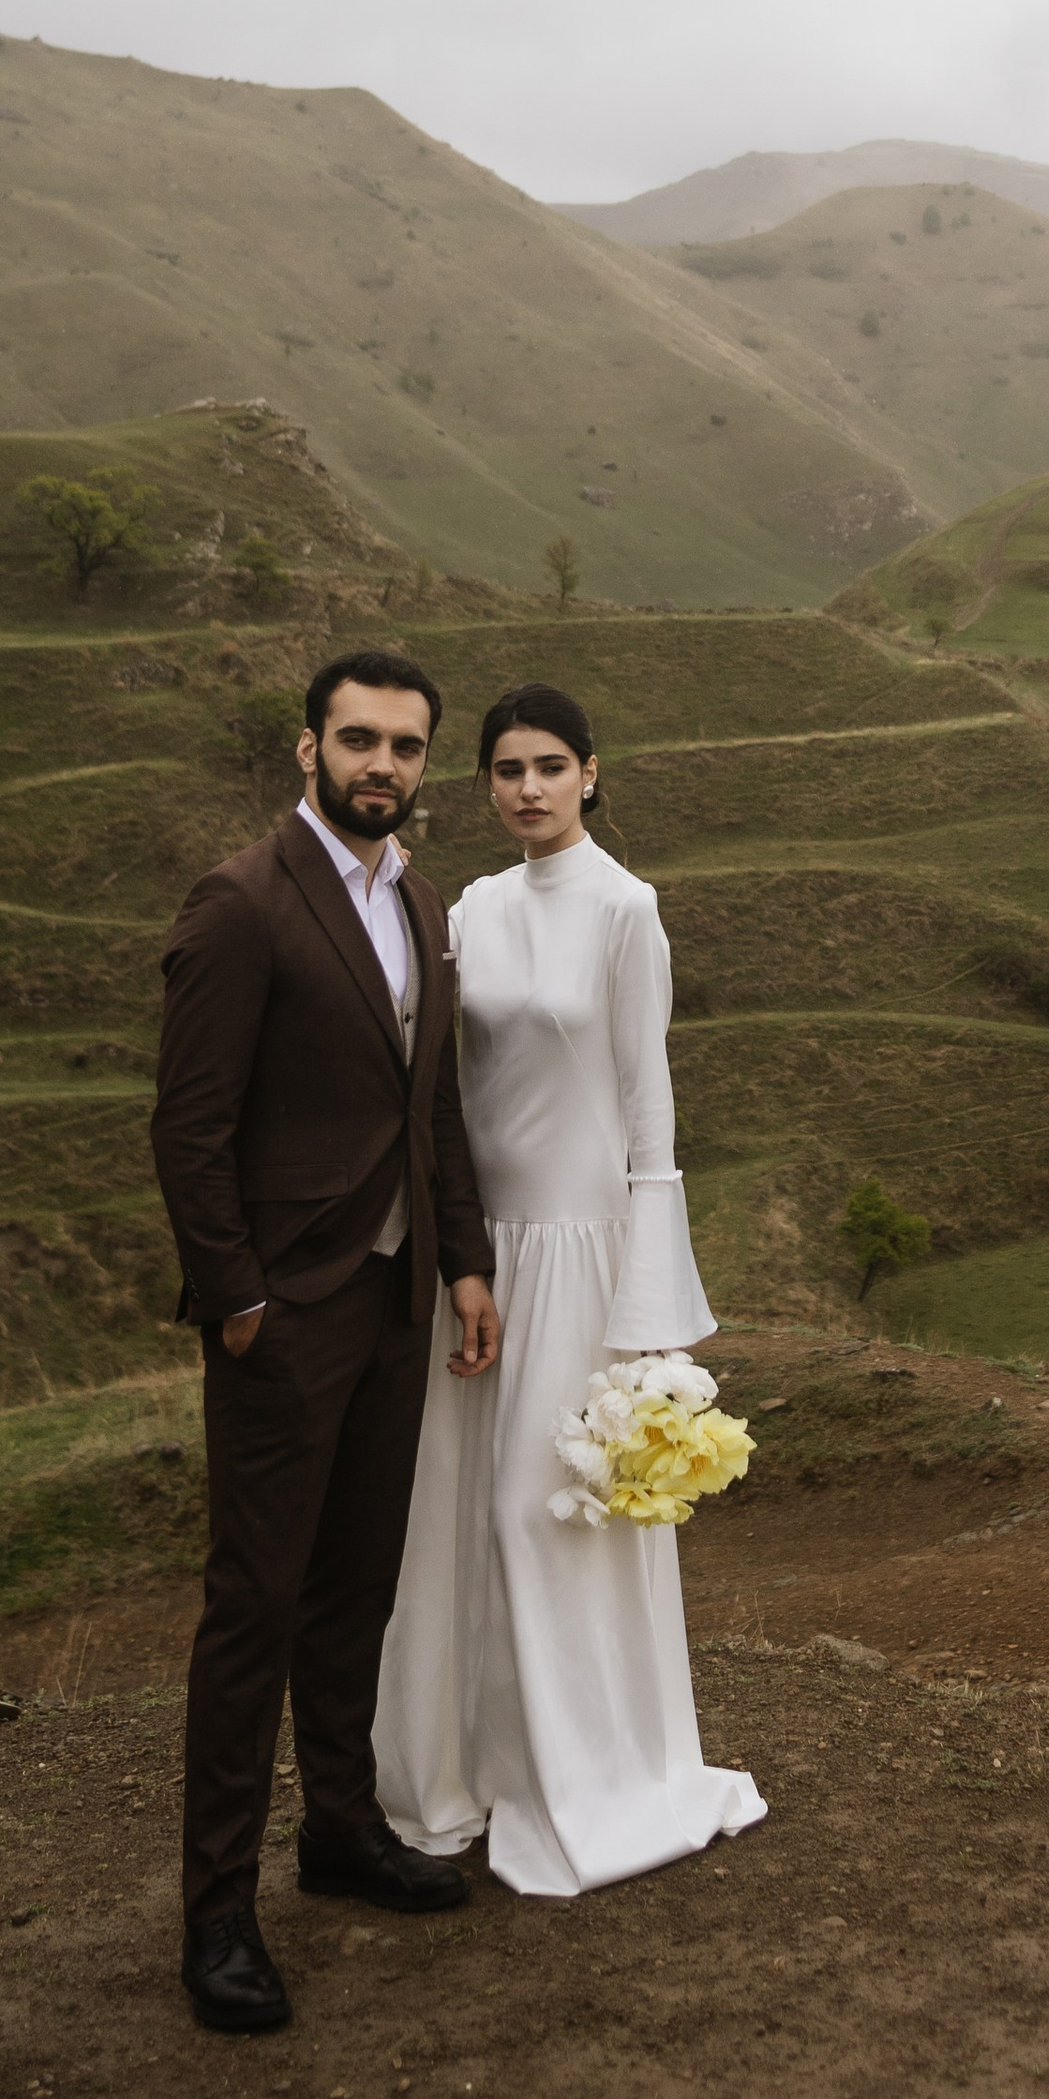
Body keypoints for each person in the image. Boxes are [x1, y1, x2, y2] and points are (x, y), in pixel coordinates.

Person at [151, 649, 502, 2035]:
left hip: (397, 1299)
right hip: (283, 1317)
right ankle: (218, 1915)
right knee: (256, 1606)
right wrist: (237, 1299)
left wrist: (464, 1262)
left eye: (407, 747)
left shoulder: (415, 894)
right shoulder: (240, 903)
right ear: (307, 749)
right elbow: (189, 1127)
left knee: (359, 1584)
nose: (383, 766)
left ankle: (341, 1834)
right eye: (358, 741)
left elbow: (437, 1108)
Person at [374, 680, 766, 1894]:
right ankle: (466, 1774)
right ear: (482, 785)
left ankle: (584, 1773)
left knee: (545, 1518)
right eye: (506, 770)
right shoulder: (471, 910)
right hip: (479, 1255)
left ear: (590, 773)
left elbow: (649, 1108)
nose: (528, 788)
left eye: (550, 766)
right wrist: (451, 1248)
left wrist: (649, 1318)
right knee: (452, 1514)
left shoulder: (626, 908)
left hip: (584, 1250)